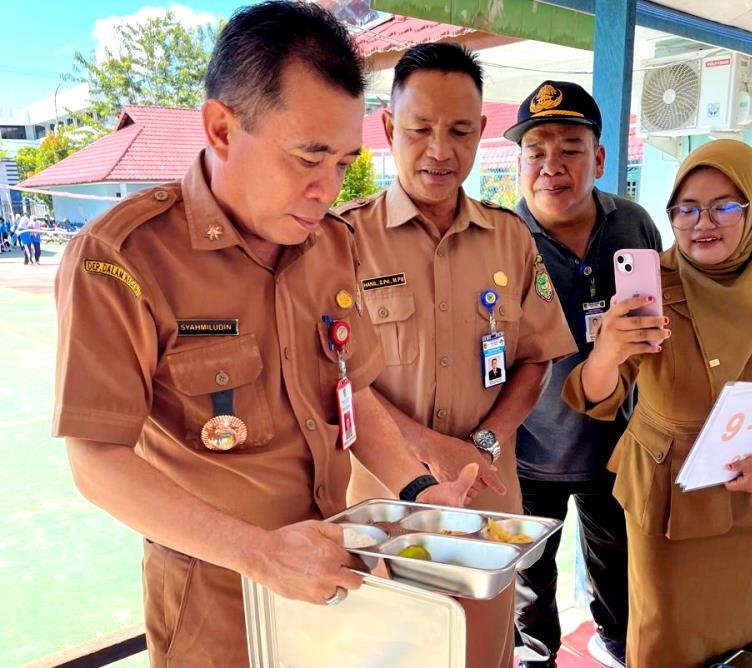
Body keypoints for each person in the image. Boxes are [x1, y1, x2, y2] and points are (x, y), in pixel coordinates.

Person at [53, 5, 476, 667]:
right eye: (308, 157)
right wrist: (260, 554)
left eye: (341, 163)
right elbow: (96, 462)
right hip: (214, 606)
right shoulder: (124, 258)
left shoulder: (333, 244)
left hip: (335, 584)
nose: (325, 188)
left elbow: (352, 392)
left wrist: (419, 492)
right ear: (222, 128)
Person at [338, 43, 576, 668]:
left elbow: (536, 356)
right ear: (389, 128)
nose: (440, 151)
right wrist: (428, 445)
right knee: (387, 651)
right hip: (382, 505)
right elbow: (329, 376)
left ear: (480, 135)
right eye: (419, 130)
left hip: (487, 496)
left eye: (460, 131)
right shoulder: (339, 241)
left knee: (484, 649)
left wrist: (491, 437)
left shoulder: (510, 237)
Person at [562, 138, 752, 667]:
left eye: (724, 206)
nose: (701, 223)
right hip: (669, 490)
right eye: (685, 208)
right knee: (664, 636)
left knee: (737, 634)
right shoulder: (650, 284)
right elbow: (593, 396)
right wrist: (608, 351)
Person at [503, 80, 662, 668]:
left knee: (620, 577)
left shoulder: (633, 225)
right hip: (524, 455)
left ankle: (619, 653)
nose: (552, 166)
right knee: (528, 590)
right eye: (536, 151)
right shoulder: (500, 239)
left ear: (597, 158)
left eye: (570, 149)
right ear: (519, 163)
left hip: (616, 448)